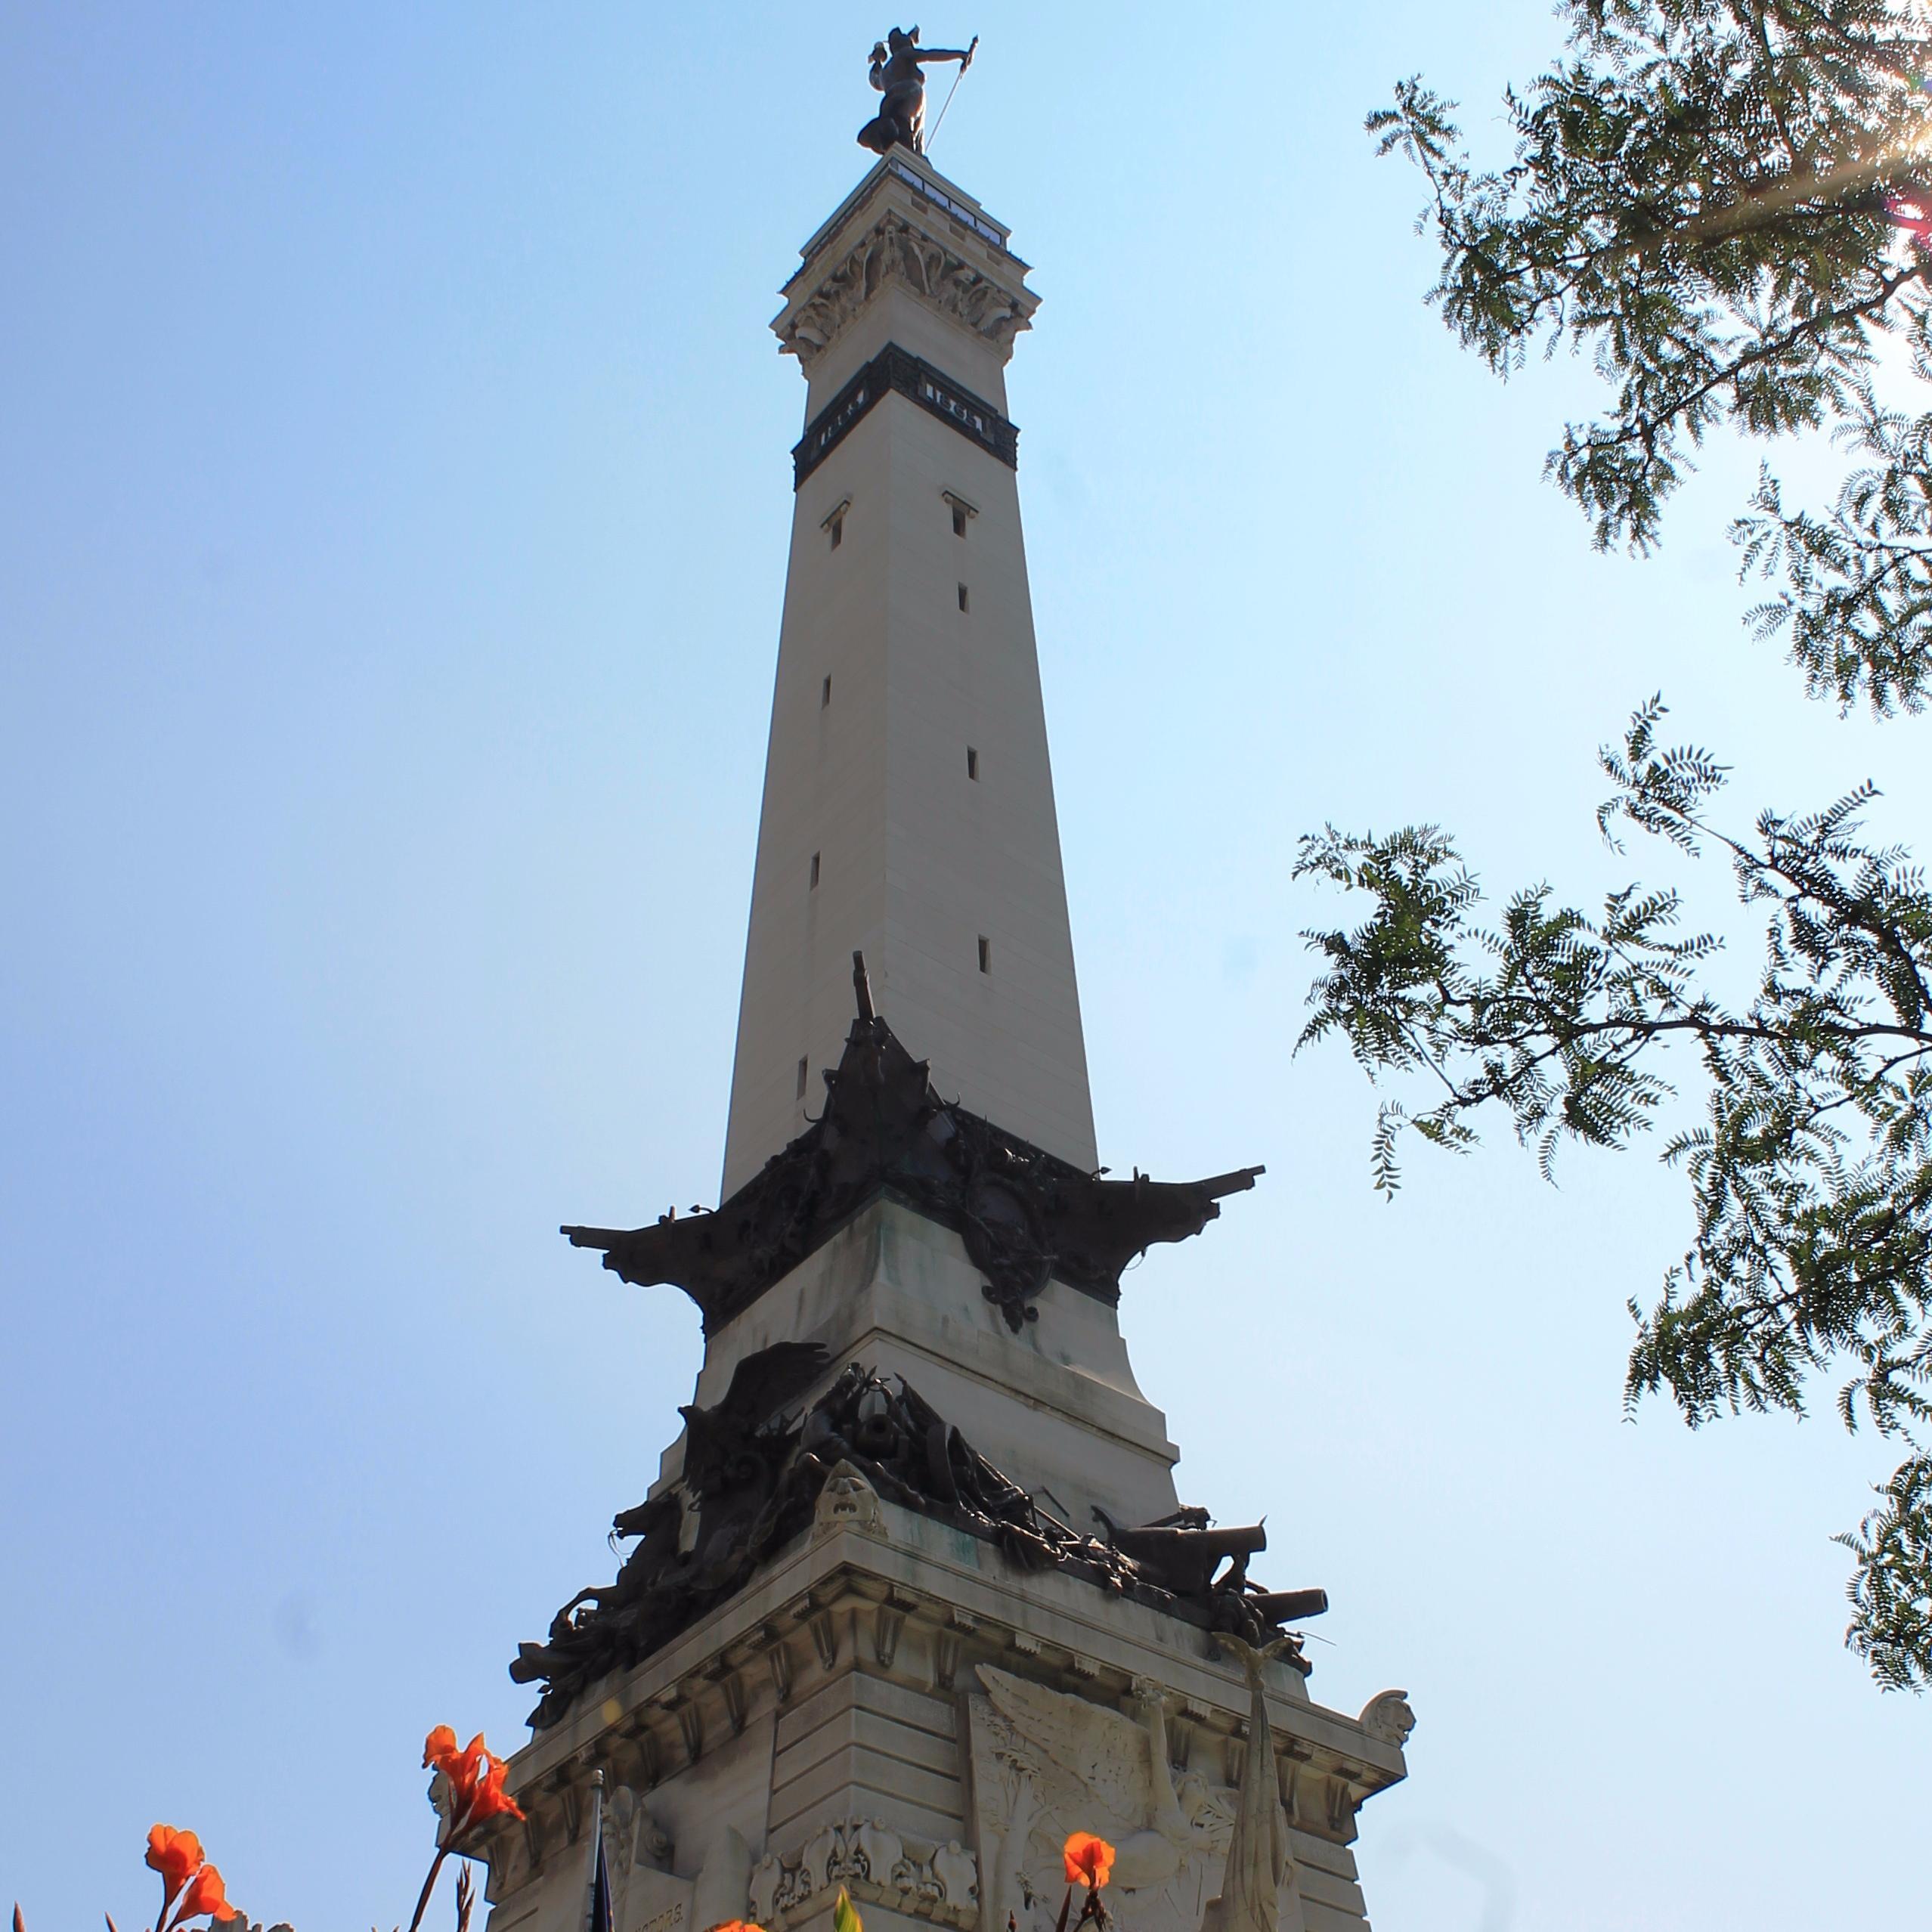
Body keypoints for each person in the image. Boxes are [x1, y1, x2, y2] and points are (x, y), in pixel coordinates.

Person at [857, 26, 974, 155]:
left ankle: (900, 145)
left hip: (889, 103)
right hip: (909, 94)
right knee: (910, 134)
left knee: (906, 133)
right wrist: (960, 55)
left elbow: (874, 80)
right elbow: (930, 55)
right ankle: (910, 151)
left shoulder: (884, 73)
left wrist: (878, 60)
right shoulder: (904, 54)